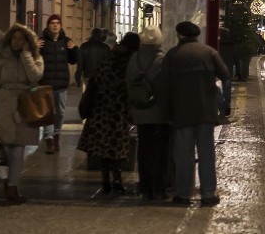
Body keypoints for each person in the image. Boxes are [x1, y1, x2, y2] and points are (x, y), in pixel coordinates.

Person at [158, 21, 229, 207]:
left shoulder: (173, 55)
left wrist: (165, 112)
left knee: (183, 155)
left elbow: (164, 86)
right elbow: (225, 74)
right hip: (206, 112)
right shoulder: (209, 52)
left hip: (181, 113)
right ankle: (208, 195)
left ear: (180, 35)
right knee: (207, 154)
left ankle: (182, 195)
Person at [0, 24, 44, 203]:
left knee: (18, 150)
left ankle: (13, 186)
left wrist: (26, 55)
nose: (17, 42)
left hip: (25, 106)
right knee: (5, 149)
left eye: (21, 39)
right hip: (3, 106)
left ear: (27, 41)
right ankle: (6, 183)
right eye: (14, 38)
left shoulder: (35, 57)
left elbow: (35, 76)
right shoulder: (1, 59)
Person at [78, 31, 139, 195]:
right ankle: (117, 181)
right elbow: (127, 84)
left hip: (100, 107)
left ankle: (105, 181)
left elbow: (97, 78)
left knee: (104, 146)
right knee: (117, 146)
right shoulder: (128, 60)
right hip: (117, 110)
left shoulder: (109, 55)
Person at [128, 26, 171, 201]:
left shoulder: (134, 58)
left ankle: (145, 187)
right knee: (161, 152)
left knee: (144, 150)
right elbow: (167, 87)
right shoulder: (162, 60)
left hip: (140, 112)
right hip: (159, 114)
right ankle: (159, 188)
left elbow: (129, 83)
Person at [38, 14, 78, 154]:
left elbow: (73, 60)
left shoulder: (66, 41)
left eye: (57, 23)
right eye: (52, 23)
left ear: (60, 26)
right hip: (46, 83)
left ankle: (56, 135)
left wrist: (74, 49)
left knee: (60, 113)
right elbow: (33, 58)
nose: (55, 25)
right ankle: (48, 138)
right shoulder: (41, 41)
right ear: (48, 26)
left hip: (61, 84)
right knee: (49, 113)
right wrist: (35, 48)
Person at [217, 25, 235, 119]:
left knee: (217, 91)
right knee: (226, 91)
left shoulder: (217, 46)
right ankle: (226, 108)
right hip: (227, 71)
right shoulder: (231, 45)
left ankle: (221, 108)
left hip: (217, 71)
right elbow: (235, 58)